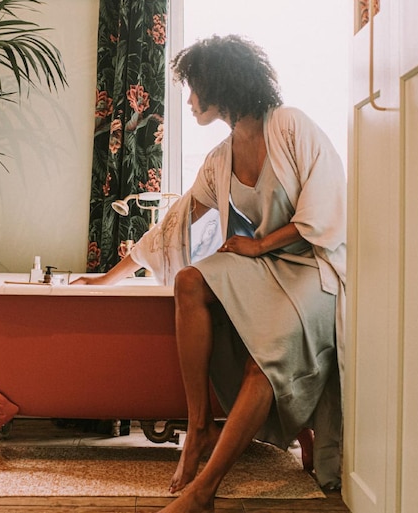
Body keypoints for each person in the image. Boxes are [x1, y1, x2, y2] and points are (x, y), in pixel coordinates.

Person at [76, 34, 346, 513]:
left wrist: (261, 243)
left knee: (265, 356)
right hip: (264, 268)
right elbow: (176, 223)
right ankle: (198, 426)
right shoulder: (221, 158)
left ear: (221, 84)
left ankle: (205, 491)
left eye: (194, 86)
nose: (190, 97)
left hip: (312, 267)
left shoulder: (289, 126)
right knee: (191, 281)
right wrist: (106, 279)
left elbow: (324, 209)